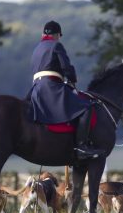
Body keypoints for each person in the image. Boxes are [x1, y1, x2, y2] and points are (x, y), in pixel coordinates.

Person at [29, 20, 104, 160]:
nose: (59, 38)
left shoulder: (37, 48)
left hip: (36, 90)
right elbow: (66, 67)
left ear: (43, 34)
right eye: (59, 35)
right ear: (57, 34)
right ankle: (81, 146)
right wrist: (72, 79)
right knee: (87, 107)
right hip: (51, 88)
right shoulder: (56, 45)